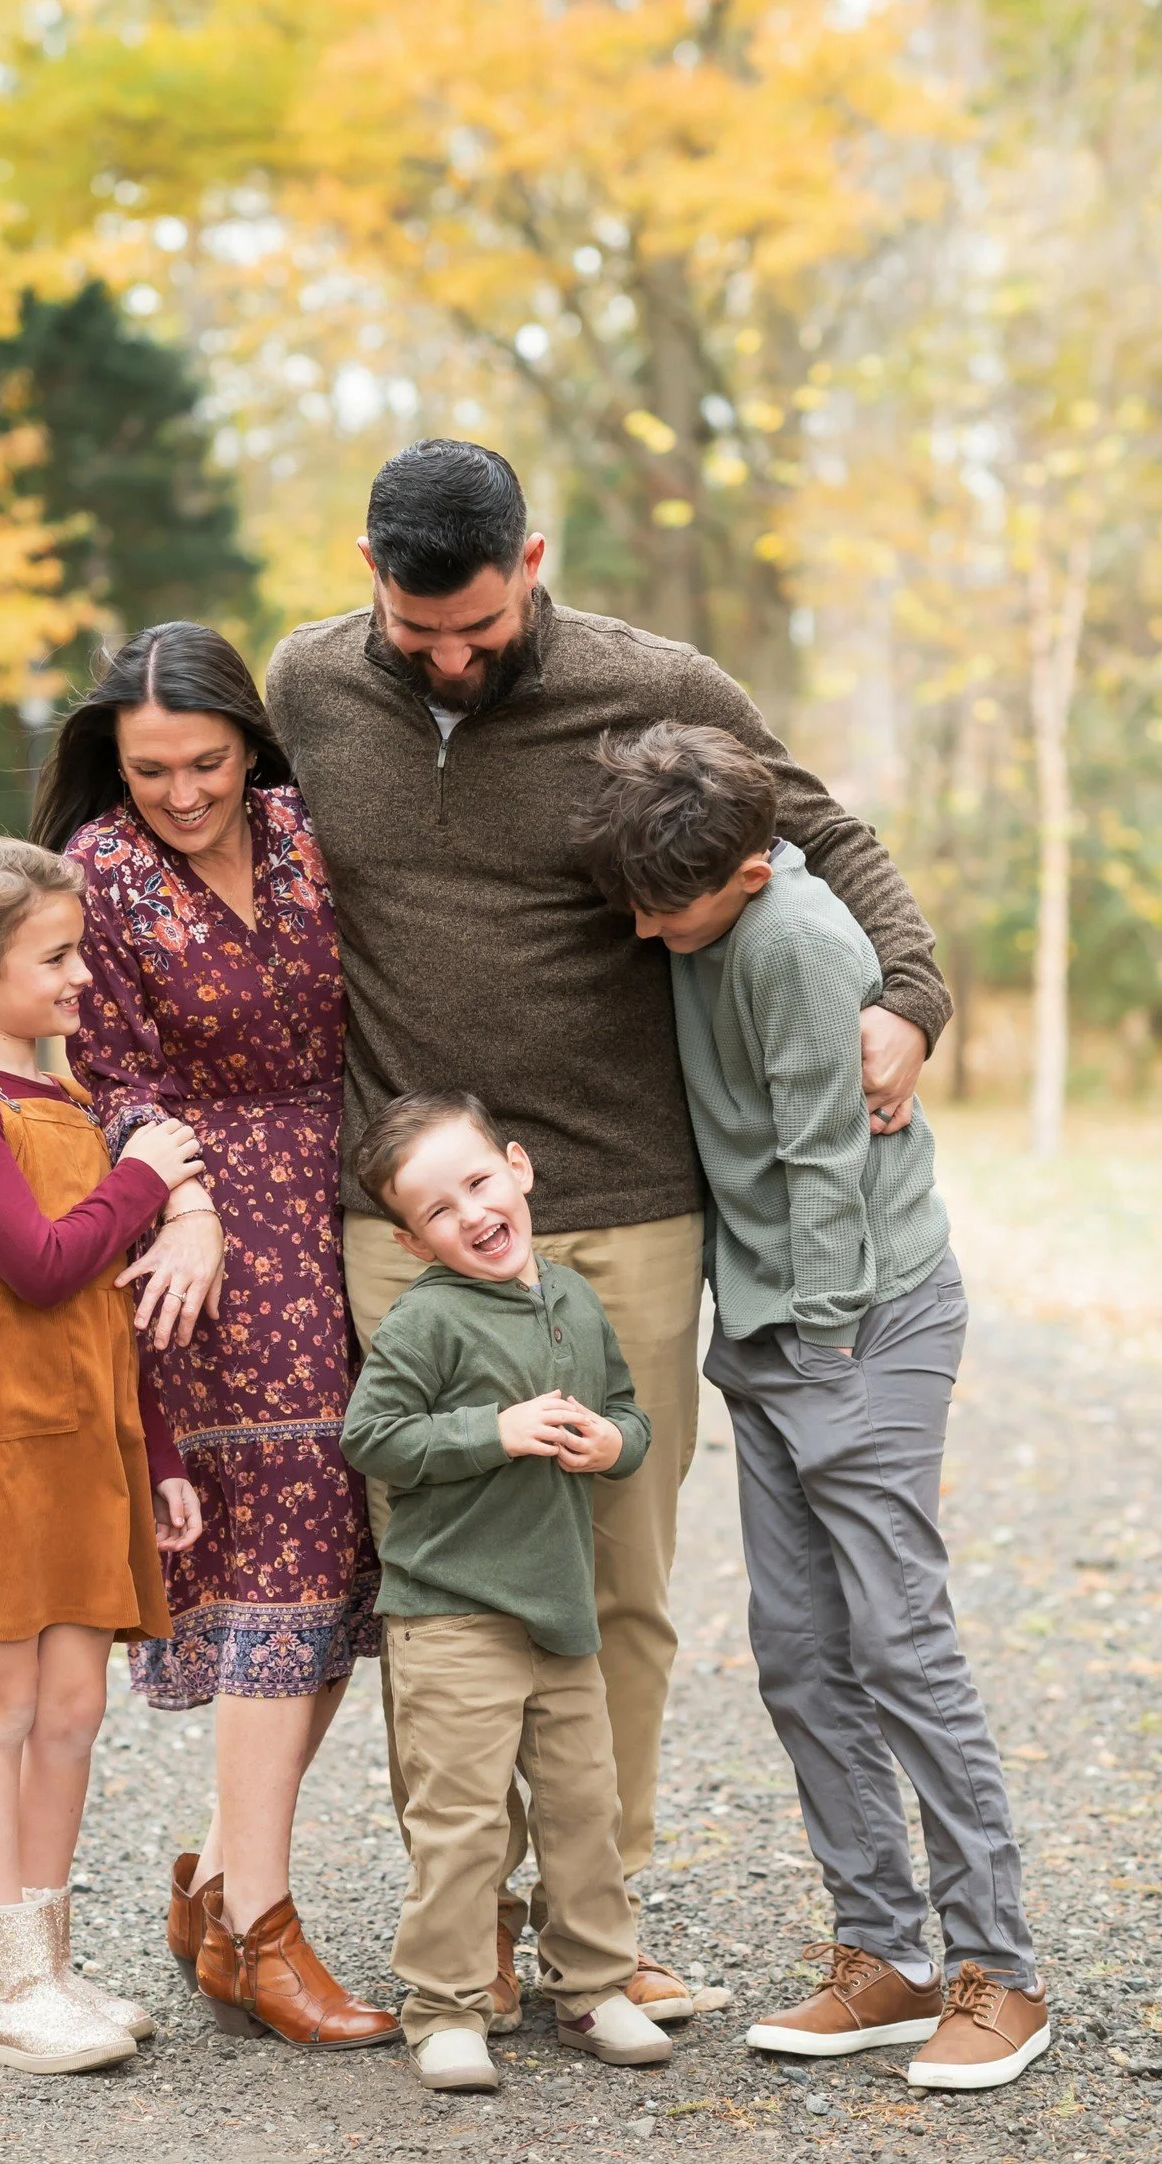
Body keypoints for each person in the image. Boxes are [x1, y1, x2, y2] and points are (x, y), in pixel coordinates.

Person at [264, 436, 955, 2019]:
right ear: (368, 572)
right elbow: (182, 808)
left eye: (480, 625)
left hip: (627, 1202)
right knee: (434, 1576)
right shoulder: (305, 687)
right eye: (419, 629)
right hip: (411, 1212)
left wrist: (911, 996)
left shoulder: (660, 686)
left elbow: (827, 835)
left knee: (616, 1578)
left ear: (536, 553)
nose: (451, 656)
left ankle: (596, 1918)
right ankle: (470, 1928)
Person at [573, 721, 1050, 2094]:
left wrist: (821, 1350)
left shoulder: (793, 946)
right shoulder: (703, 918)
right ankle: (882, 1953)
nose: (648, 929)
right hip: (777, 1331)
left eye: (670, 906)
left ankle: (1001, 1971)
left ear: (748, 870)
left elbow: (823, 1166)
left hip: (858, 1328)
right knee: (796, 1649)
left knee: (900, 1642)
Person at [31, 621, 397, 2051]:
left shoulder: (316, 832)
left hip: (355, 1202)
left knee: (343, 1558)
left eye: (205, 762)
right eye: (148, 771)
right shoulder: (99, 875)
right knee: (278, 1557)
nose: (180, 794)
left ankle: (221, 1878)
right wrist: (179, 1205)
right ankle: (258, 1927)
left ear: (252, 741)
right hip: (215, 1248)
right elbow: (108, 1071)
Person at [0, 837, 207, 2075]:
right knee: (1, 1707)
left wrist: (158, 1451)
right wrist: (141, 1177)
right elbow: (42, 1262)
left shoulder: (60, 1098)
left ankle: (50, 1970)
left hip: (85, 1438)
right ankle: (4, 1986)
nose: (80, 979)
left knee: (75, 1705)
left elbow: (107, 1302)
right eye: (55, 957)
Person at [341, 1089, 672, 2092]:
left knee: (583, 1805)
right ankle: (445, 2004)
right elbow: (372, 1437)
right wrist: (493, 1430)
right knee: (463, 1818)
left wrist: (617, 1443)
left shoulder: (571, 1298)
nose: (473, 1214)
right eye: (439, 1210)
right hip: (451, 1614)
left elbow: (625, 1413)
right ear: (409, 1238)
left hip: (560, 1609)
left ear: (519, 1168)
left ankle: (592, 1986)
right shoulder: (426, 1319)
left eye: (480, 1182)